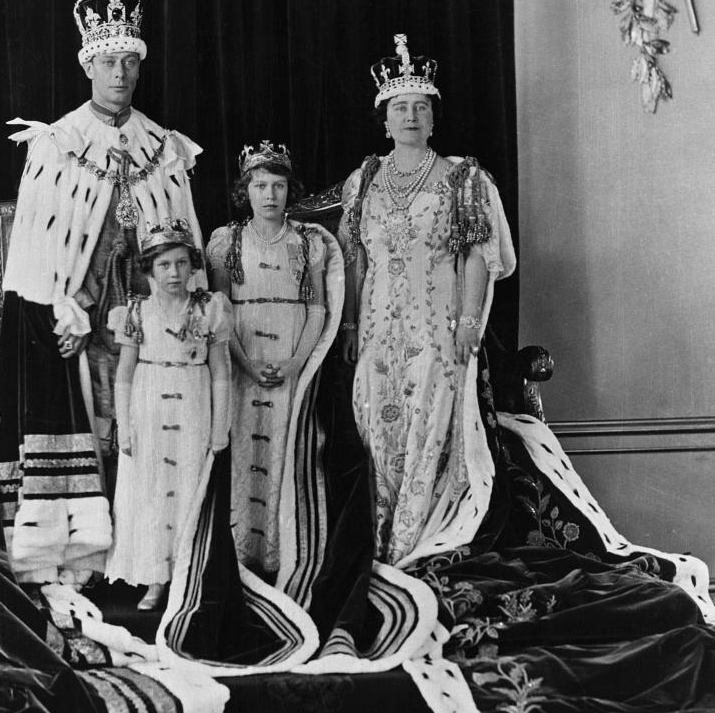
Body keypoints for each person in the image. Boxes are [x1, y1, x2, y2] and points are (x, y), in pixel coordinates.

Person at [0, 0, 206, 588]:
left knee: (145, 427)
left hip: (149, 311)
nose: (120, 74)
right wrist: (63, 312)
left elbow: (184, 243)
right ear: (88, 65)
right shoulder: (56, 145)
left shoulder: (163, 146)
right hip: (79, 316)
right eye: (109, 63)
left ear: (139, 66)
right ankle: (84, 552)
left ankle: (150, 556)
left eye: (130, 63)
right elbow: (33, 254)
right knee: (97, 426)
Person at [338, 33, 515, 565]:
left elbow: (478, 256)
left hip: (436, 327)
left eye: (419, 107)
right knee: (374, 419)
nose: (410, 116)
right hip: (375, 329)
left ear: (433, 118)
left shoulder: (463, 178)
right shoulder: (364, 179)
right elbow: (353, 260)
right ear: (384, 118)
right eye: (399, 108)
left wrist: (467, 322)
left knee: (428, 419)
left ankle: (416, 543)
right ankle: (376, 537)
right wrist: (349, 327)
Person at [207, 142, 327, 576]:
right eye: (260, 186)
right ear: (247, 190)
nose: (270, 195)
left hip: (291, 354)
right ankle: (242, 550)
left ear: (288, 190)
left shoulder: (308, 242)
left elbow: (317, 309)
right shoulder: (228, 241)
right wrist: (244, 363)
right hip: (244, 358)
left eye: (278, 186)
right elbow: (220, 311)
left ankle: (282, 552)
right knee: (244, 445)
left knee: (286, 447)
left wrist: (296, 362)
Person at [106, 220, 232, 609]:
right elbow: (124, 375)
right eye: (164, 265)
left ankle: (185, 574)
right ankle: (154, 579)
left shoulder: (209, 308)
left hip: (193, 406)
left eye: (181, 264)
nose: (174, 273)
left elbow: (222, 373)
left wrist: (220, 429)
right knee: (151, 492)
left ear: (193, 266)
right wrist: (124, 428)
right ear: (149, 270)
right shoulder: (136, 312)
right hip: (148, 405)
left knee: (188, 490)